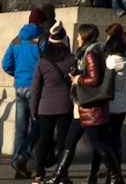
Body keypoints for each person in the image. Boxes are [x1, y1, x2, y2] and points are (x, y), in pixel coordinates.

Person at [50, 23, 116, 184]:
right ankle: (58, 176)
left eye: (79, 35)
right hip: (82, 107)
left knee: (100, 145)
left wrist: (77, 79)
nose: (77, 38)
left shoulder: (90, 54)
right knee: (70, 142)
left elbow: (95, 79)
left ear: (84, 36)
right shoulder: (89, 52)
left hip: (89, 108)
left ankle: (116, 176)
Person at [29, 23, 76, 184]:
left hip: (45, 106)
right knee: (63, 141)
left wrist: (33, 109)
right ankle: (62, 175)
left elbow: (35, 88)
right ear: (64, 40)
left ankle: (39, 174)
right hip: (65, 105)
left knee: (44, 139)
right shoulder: (71, 59)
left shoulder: (42, 61)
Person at [3, 10, 47, 179]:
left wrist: (18, 74)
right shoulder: (42, 40)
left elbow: (6, 63)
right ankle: (22, 159)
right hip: (35, 88)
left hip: (19, 86)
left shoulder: (16, 40)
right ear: (40, 23)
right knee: (38, 125)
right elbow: (47, 63)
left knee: (20, 128)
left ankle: (18, 165)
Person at [98, 22, 126, 184]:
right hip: (123, 103)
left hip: (108, 103)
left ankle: (112, 169)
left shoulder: (109, 61)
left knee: (105, 138)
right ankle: (115, 169)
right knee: (115, 136)